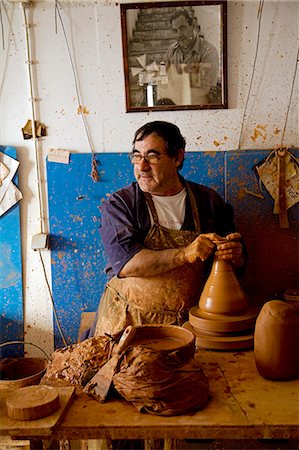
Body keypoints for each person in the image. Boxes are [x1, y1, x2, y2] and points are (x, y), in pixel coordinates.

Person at [92, 121, 246, 337]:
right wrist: (184, 254)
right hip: (129, 321)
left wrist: (234, 255)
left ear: (177, 157)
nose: (142, 166)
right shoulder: (122, 204)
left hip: (190, 322)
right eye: (137, 156)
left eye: (153, 156)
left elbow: (235, 263)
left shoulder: (207, 201)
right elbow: (126, 264)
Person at [165, 9, 219, 104]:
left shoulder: (208, 52)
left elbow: (204, 90)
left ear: (193, 26)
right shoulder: (171, 51)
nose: (178, 35)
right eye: (175, 30)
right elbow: (170, 82)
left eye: (182, 28)